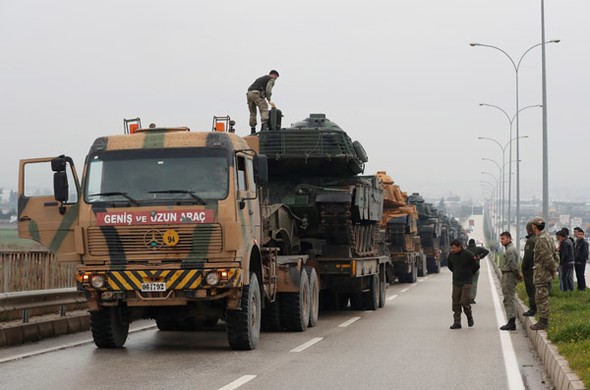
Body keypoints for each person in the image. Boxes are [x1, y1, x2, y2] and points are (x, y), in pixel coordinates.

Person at [530, 217, 558, 331]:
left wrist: (553, 270)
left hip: (542, 273)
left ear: (534, 226)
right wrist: (555, 266)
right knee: (542, 297)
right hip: (544, 272)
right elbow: (556, 255)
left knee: (541, 298)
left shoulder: (541, 239)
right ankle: (542, 320)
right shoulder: (549, 237)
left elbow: (548, 257)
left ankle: (543, 321)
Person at [447, 239, 479, 329]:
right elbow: (449, 265)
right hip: (456, 282)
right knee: (456, 303)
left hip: (466, 282)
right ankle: (457, 322)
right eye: (451, 248)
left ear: (459, 247)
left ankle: (469, 316)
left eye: (454, 248)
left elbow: (476, 265)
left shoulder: (468, 255)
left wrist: (470, 274)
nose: (452, 250)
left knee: (465, 302)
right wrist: (456, 272)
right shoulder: (451, 255)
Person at [498, 231, 523, 331]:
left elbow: (513, 265)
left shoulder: (510, 250)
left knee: (509, 298)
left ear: (509, 238)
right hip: (508, 275)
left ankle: (511, 322)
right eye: (501, 239)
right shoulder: (510, 249)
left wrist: (518, 275)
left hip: (509, 275)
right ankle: (510, 321)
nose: (501, 241)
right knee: (508, 297)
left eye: (503, 239)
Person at [521, 222, 537, 317]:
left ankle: (533, 308)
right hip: (538, 268)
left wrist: (523, 267)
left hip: (530, 269)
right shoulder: (539, 238)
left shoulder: (531, 240)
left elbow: (527, 256)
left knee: (531, 289)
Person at [466, 238, 489, 304]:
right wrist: (480, 257)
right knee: (474, 284)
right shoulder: (478, 249)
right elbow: (487, 251)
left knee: (467, 284)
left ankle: (466, 297)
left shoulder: (466, 250)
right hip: (476, 268)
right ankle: (472, 298)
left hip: (467, 270)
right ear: (474, 243)